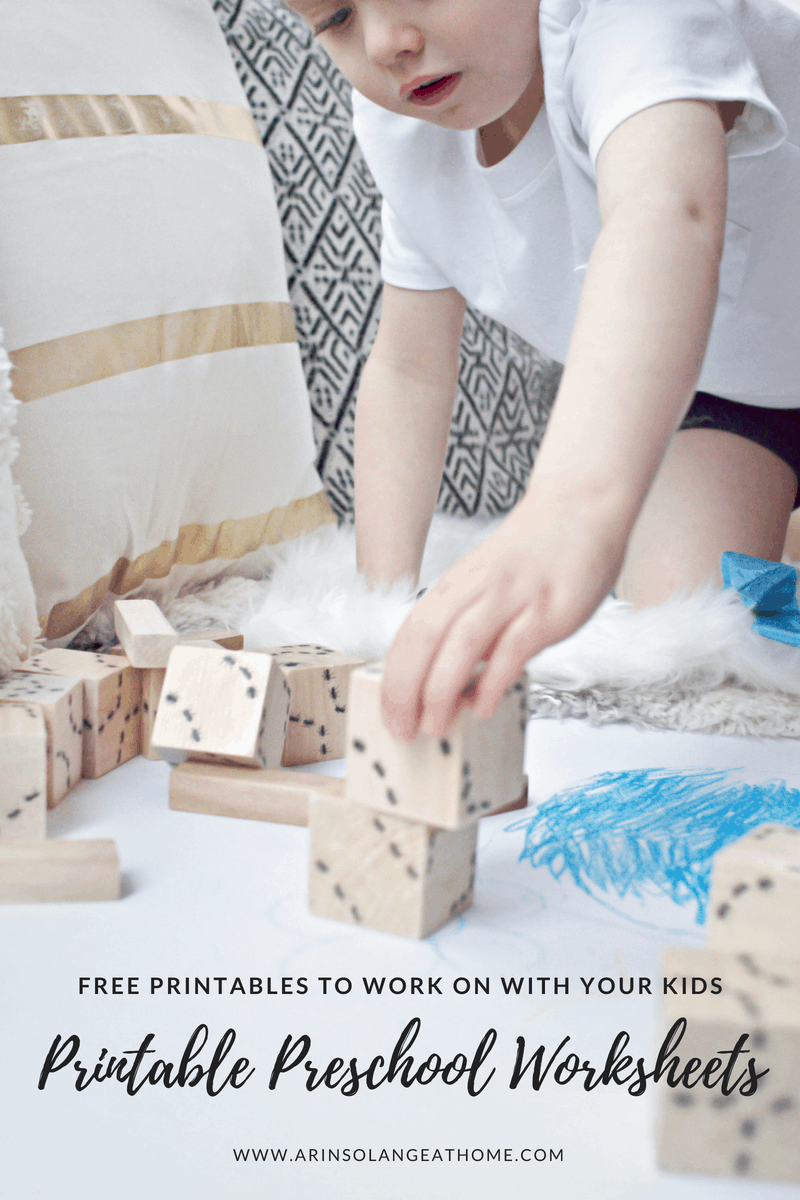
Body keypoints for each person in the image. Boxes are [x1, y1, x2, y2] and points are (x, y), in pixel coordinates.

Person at [286, 0, 800, 740]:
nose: (385, 44)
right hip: (727, 390)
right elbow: (408, 368)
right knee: (679, 625)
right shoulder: (403, 127)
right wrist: (380, 610)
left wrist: (571, 510)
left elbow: (664, 212)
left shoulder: (627, 17)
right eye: (334, 18)